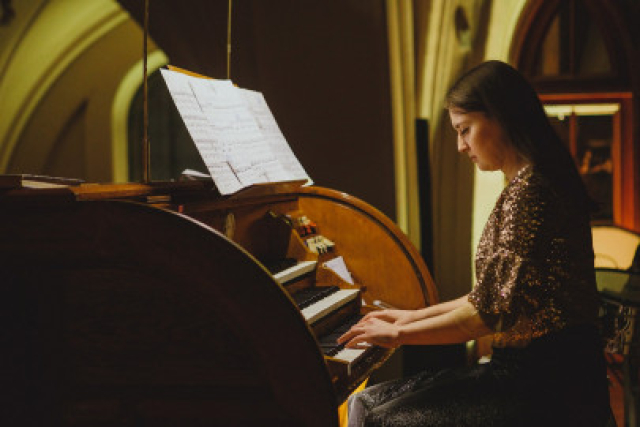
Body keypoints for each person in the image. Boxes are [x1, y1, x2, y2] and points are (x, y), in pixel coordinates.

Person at [338, 60, 611, 427]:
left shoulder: (533, 192)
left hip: (549, 385)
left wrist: (399, 333)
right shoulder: (525, 186)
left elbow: (487, 315)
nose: (460, 146)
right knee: (365, 402)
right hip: (530, 374)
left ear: (500, 117)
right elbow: (487, 297)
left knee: (376, 417)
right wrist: (408, 317)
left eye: (464, 130)